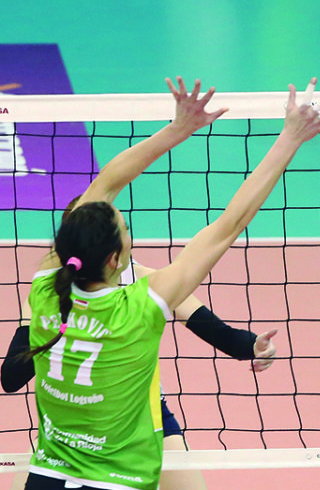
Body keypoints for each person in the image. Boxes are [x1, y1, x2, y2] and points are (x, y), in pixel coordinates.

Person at [7, 76, 320, 490]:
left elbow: (106, 184)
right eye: (124, 228)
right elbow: (229, 224)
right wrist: (290, 137)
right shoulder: (144, 303)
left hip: (49, 476)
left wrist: (177, 128)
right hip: (120, 480)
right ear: (115, 258)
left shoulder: (43, 288)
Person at [3, 197, 279, 490]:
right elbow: (12, 376)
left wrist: (252, 345)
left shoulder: (144, 283)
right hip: (72, 427)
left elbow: (220, 333)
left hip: (144, 415)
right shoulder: (52, 292)